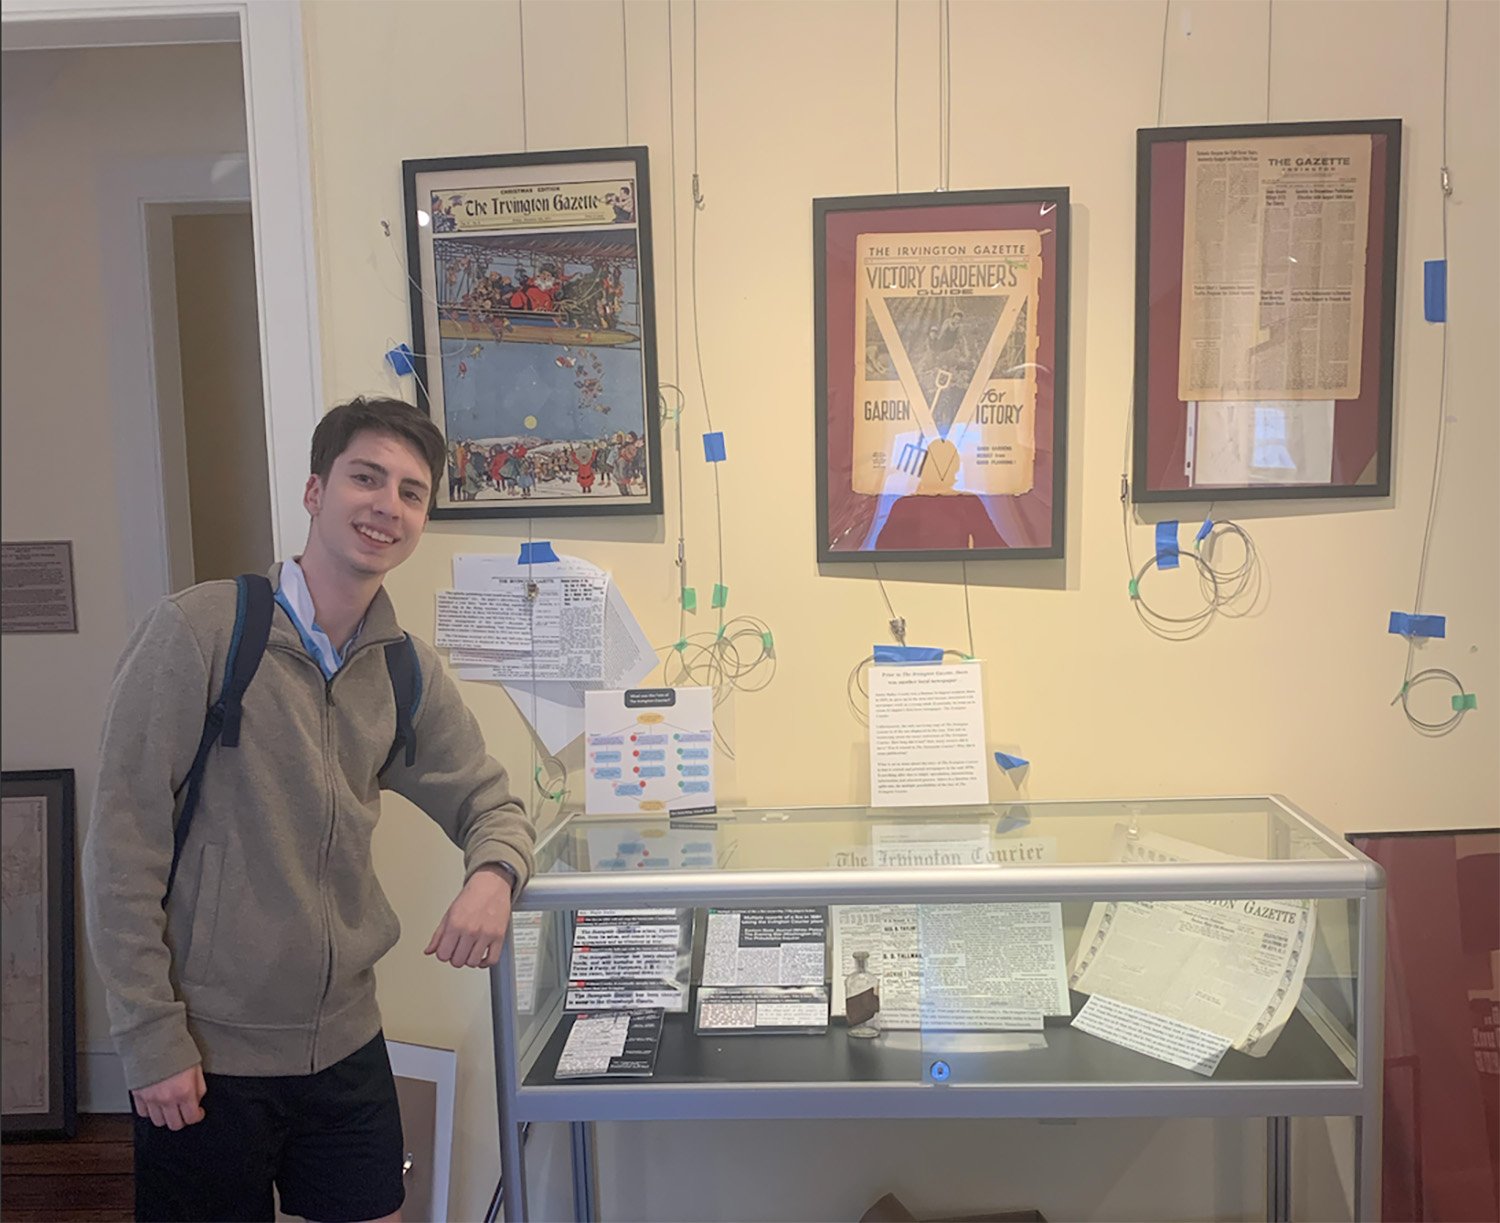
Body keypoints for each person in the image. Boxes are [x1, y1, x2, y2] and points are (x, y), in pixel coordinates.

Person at [82, 396, 535, 1223]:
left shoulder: (404, 670)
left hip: (346, 1046)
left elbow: (492, 800)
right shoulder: (201, 632)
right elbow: (121, 848)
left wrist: (495, 874)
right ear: (314, 491)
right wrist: (149, 1038)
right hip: (208, 1053)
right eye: (366, 478)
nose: (386, 506)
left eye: (410, 491)